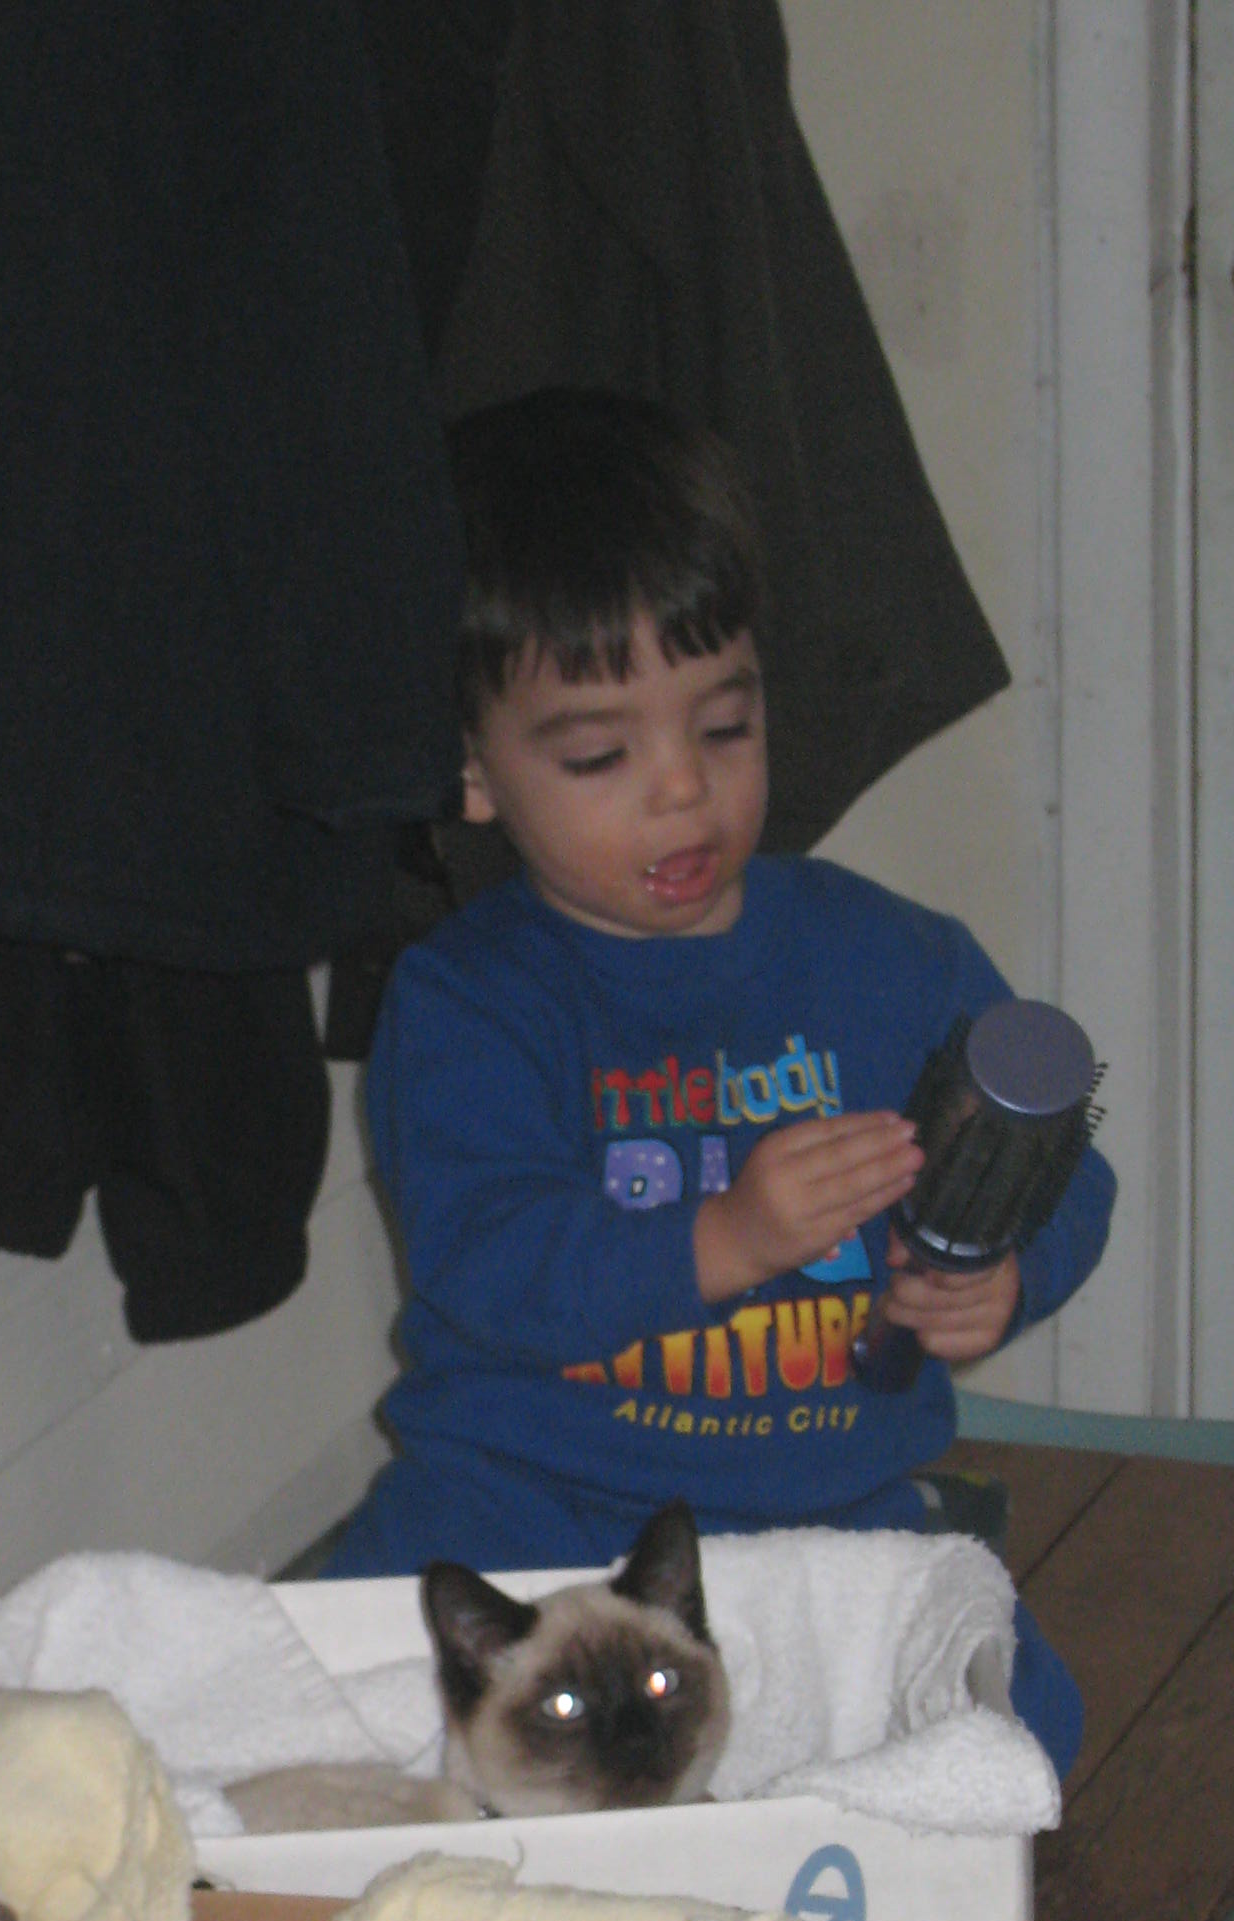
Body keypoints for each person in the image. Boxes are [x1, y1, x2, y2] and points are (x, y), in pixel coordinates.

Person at [324, 388, 1114, 1771]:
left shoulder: (895, 961)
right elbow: (485, 1259)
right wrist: (724, 1239)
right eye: (598, 754)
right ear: (472, 770)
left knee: (1018, 1729)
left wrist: (1009, 1272)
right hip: (528, 1505)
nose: (682, 789)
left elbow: (1066, 1175)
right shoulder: (466, 998)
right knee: (301, 1700)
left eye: (726, 726)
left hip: (820, 1508)